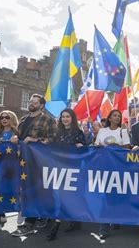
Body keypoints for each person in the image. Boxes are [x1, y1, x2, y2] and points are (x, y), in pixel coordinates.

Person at [11, 94, 57, 237]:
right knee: (24, 189)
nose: (31, 103)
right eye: (30, 101)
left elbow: (53, 139)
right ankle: (37, 217)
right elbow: (19, 137)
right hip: (22, 160)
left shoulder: (47, 119)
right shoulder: (24, 119)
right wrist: (15, 138)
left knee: (34, 190)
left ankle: (29, 224)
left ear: (41, 105)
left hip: (38, 161)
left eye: (34, 102)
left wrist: (34, 139)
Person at [46, 108, 86, 241]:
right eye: (63, 117)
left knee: (69, 196)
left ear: (72, 118)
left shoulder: (78, 132)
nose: (65, 119)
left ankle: (66, 224)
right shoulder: (57, 132)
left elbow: (85, 150)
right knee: (60, 196)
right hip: (59, 168)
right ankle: (60, 224)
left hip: (73, 169)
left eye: (67, 116)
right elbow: (51, 147)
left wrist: (80, 146)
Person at [94, 109, 131, 239]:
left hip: (118, 168)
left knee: (116, 195)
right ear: (109, 118)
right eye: (115, 115)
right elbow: (96, 145)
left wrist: (115, 146)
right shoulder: (103, 131)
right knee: (105, 196)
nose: (117, 118)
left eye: (119, 116)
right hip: (104, 167)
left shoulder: (123, 131)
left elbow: (127, 148)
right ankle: (103, 228)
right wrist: (99, 147)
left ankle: (115, 219)